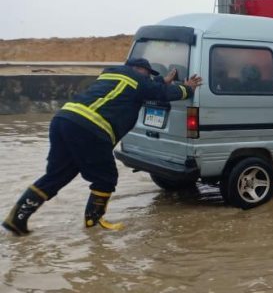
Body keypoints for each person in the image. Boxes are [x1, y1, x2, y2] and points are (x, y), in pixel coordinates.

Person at [3, 58, 203, 236]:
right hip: (90, 129)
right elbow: (160, 93)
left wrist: (161, 81)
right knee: (106, 178)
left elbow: (147, 87)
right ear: (139, 70)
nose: (149, 78)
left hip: (63, 120)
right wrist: (188, 88)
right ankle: (94, 224)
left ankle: (17, 218)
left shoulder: (112, 75)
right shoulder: (137, 80)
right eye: (148, 74)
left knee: (56, 175)